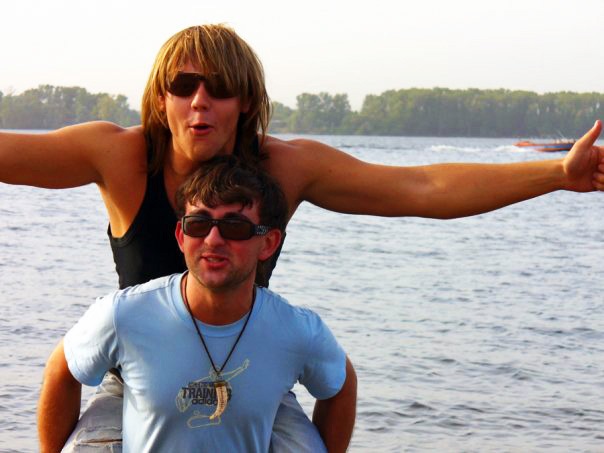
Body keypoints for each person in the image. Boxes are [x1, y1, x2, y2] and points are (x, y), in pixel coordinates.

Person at [1, 22, 602, 450]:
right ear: (162, 98)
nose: (199, 101)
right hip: (136, 374)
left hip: (249, 365)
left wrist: (556, 174)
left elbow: (420, 187)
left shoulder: (285, 167)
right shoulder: (120, 156)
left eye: (218, 86)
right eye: (183, 86)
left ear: (245, 101)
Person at [37, 157, 357, 452]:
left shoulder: (297, 331)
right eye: (199, 224)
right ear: (181, 236)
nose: (213, 240)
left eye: (234, 227)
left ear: (268, 243)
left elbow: (340, 385)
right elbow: (61, 370)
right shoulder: (123, 315)